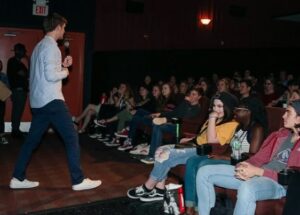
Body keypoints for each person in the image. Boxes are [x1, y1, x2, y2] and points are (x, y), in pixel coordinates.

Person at [9, 13, 101, 191]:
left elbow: (42, 75)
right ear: (58, 27)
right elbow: (51, 76)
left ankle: (17, 177)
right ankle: (78, 180)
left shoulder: (38, 47)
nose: (64, 31)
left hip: (38, 102)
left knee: (31, 141)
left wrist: (63, 66)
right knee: (72, 136)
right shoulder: (52, 48)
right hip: (52, 100)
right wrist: (66, 72)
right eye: (64, 28)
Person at [127, 92, 239, 202]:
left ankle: (148, 186)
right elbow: (202, 136)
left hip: (204, 151)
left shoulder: (231, 124)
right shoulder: (215, 119)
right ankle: (160, 189)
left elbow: (210, 140)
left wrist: (212, 119)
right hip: (194, 144)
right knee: (160, 149)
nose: (216, 109)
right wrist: (190, 139)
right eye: (214, 106)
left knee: (166, 155)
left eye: (220, 106)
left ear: (228, 107)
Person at [196, 99, 300, 215]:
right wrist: (245, 165)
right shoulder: (280, 135)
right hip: (260, 173)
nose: (283, 116)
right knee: (204, 172)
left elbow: (291, 178)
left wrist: (257, 172)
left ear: (298, 118)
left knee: (247, 188)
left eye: (288, 112)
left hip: (279, 184)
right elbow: (259, 158)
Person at [184, 97, 267, 215]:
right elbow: (229, 148)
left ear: (248, 112)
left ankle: (202, 209)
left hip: (242, 164)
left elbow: (253, 156)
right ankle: (197, 208)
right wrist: (219, 155)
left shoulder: (257, 128)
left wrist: (223, 158)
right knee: (197, 161)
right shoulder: (239, 127)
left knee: (203, 165)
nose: (235, 112)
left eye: (238, 109)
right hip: (231, 160)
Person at [7, 43, 29, 138]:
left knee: (18, 111)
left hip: (22, 91)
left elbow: (27, 74)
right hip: (18, 91)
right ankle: (15, 131)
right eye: (23, 50)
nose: (25, 52)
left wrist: (28, 60)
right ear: (18, 51)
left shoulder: (20, 63)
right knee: (17, 111)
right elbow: (23, 74)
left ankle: (16, 130)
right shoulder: (12, 61)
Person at [0, 60, 9, 144]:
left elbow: (8, 87)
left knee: (1, 118)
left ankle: (1, 136)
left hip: (1, 100)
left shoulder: (3, 76)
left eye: (0, 65)